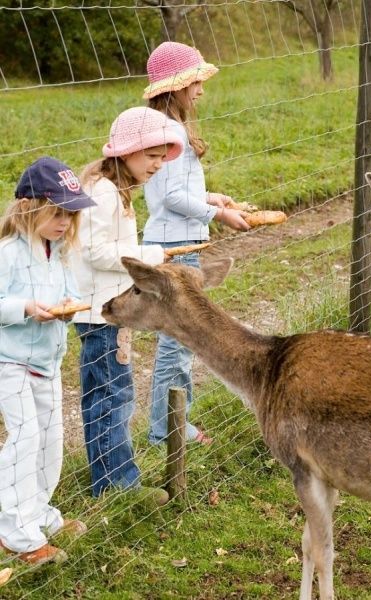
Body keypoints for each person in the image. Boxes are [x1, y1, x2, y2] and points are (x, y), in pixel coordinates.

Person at [142, 41, 250, 446]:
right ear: (177, 86)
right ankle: (166, 429)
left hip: (177, 238)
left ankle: (169, 423)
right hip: (177, 245)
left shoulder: (167, 128)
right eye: (196, 81)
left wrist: (211, 197)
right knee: (179, 342)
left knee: (181, 340)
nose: (202, 89)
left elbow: (174, 191)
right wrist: (218, 215)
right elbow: (171, 199)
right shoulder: (171, 131)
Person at [72, 106, 183, 499]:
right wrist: (150, 255)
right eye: (152, 156)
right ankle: (117, 487)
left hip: (110, 310)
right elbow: (93, 251)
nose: (157, 165)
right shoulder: (102, 191)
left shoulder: (115, 189)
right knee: (112, 396)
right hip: (101, 313)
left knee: (112, 393)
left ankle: (113, 481)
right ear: (128, 150)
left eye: (161, 157)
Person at [0, 156, 96, 565]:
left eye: (69, 215)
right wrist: (25, 308)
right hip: (12, 362)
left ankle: (38, 512)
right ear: (29, 208)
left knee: (50, 441)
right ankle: (16, 533)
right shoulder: (8, 252)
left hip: (49, 362)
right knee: (24, 441)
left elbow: (70, 291)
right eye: (56, 213)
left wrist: (69, 307)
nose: (63, 223)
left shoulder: (58, 252)